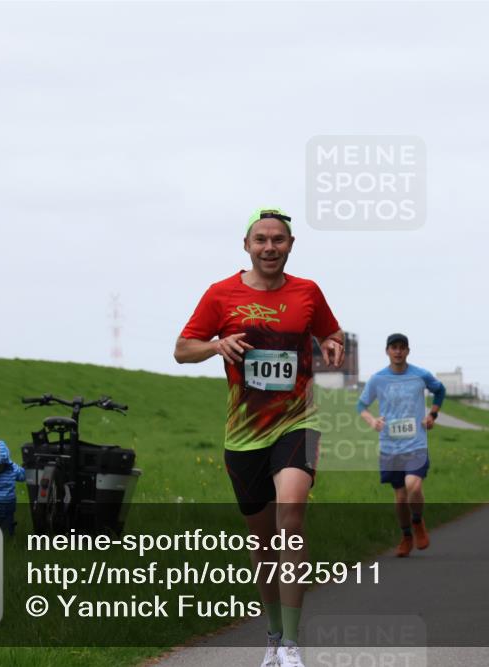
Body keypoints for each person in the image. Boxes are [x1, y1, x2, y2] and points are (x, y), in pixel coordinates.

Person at [174, 207, 344, 667]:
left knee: (292, 514)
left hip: (298, 421)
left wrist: (333, 345)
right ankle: (272, 635)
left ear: (291, 245)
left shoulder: (308, 292)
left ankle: (291, 643)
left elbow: (332, 334)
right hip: (245, 434)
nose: (270, 247)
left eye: (279, 239)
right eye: (261, 240)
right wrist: (216, 345)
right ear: (247, 246)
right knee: (264, 542)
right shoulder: (221, 294)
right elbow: (182, 350)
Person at [358, 333, 446, 558]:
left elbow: (440, 390)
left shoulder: (420, 375)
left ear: (408, 351)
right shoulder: (378, 379)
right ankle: (406, 535)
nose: (398, 351)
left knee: (413, 486)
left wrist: (432, 415)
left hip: (416, 443)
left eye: (402, 347)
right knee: (400, 496)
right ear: (387, 351)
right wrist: (372, 421)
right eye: (394, 347)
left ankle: (417, 523)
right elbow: (361, 406)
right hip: (390, 446)